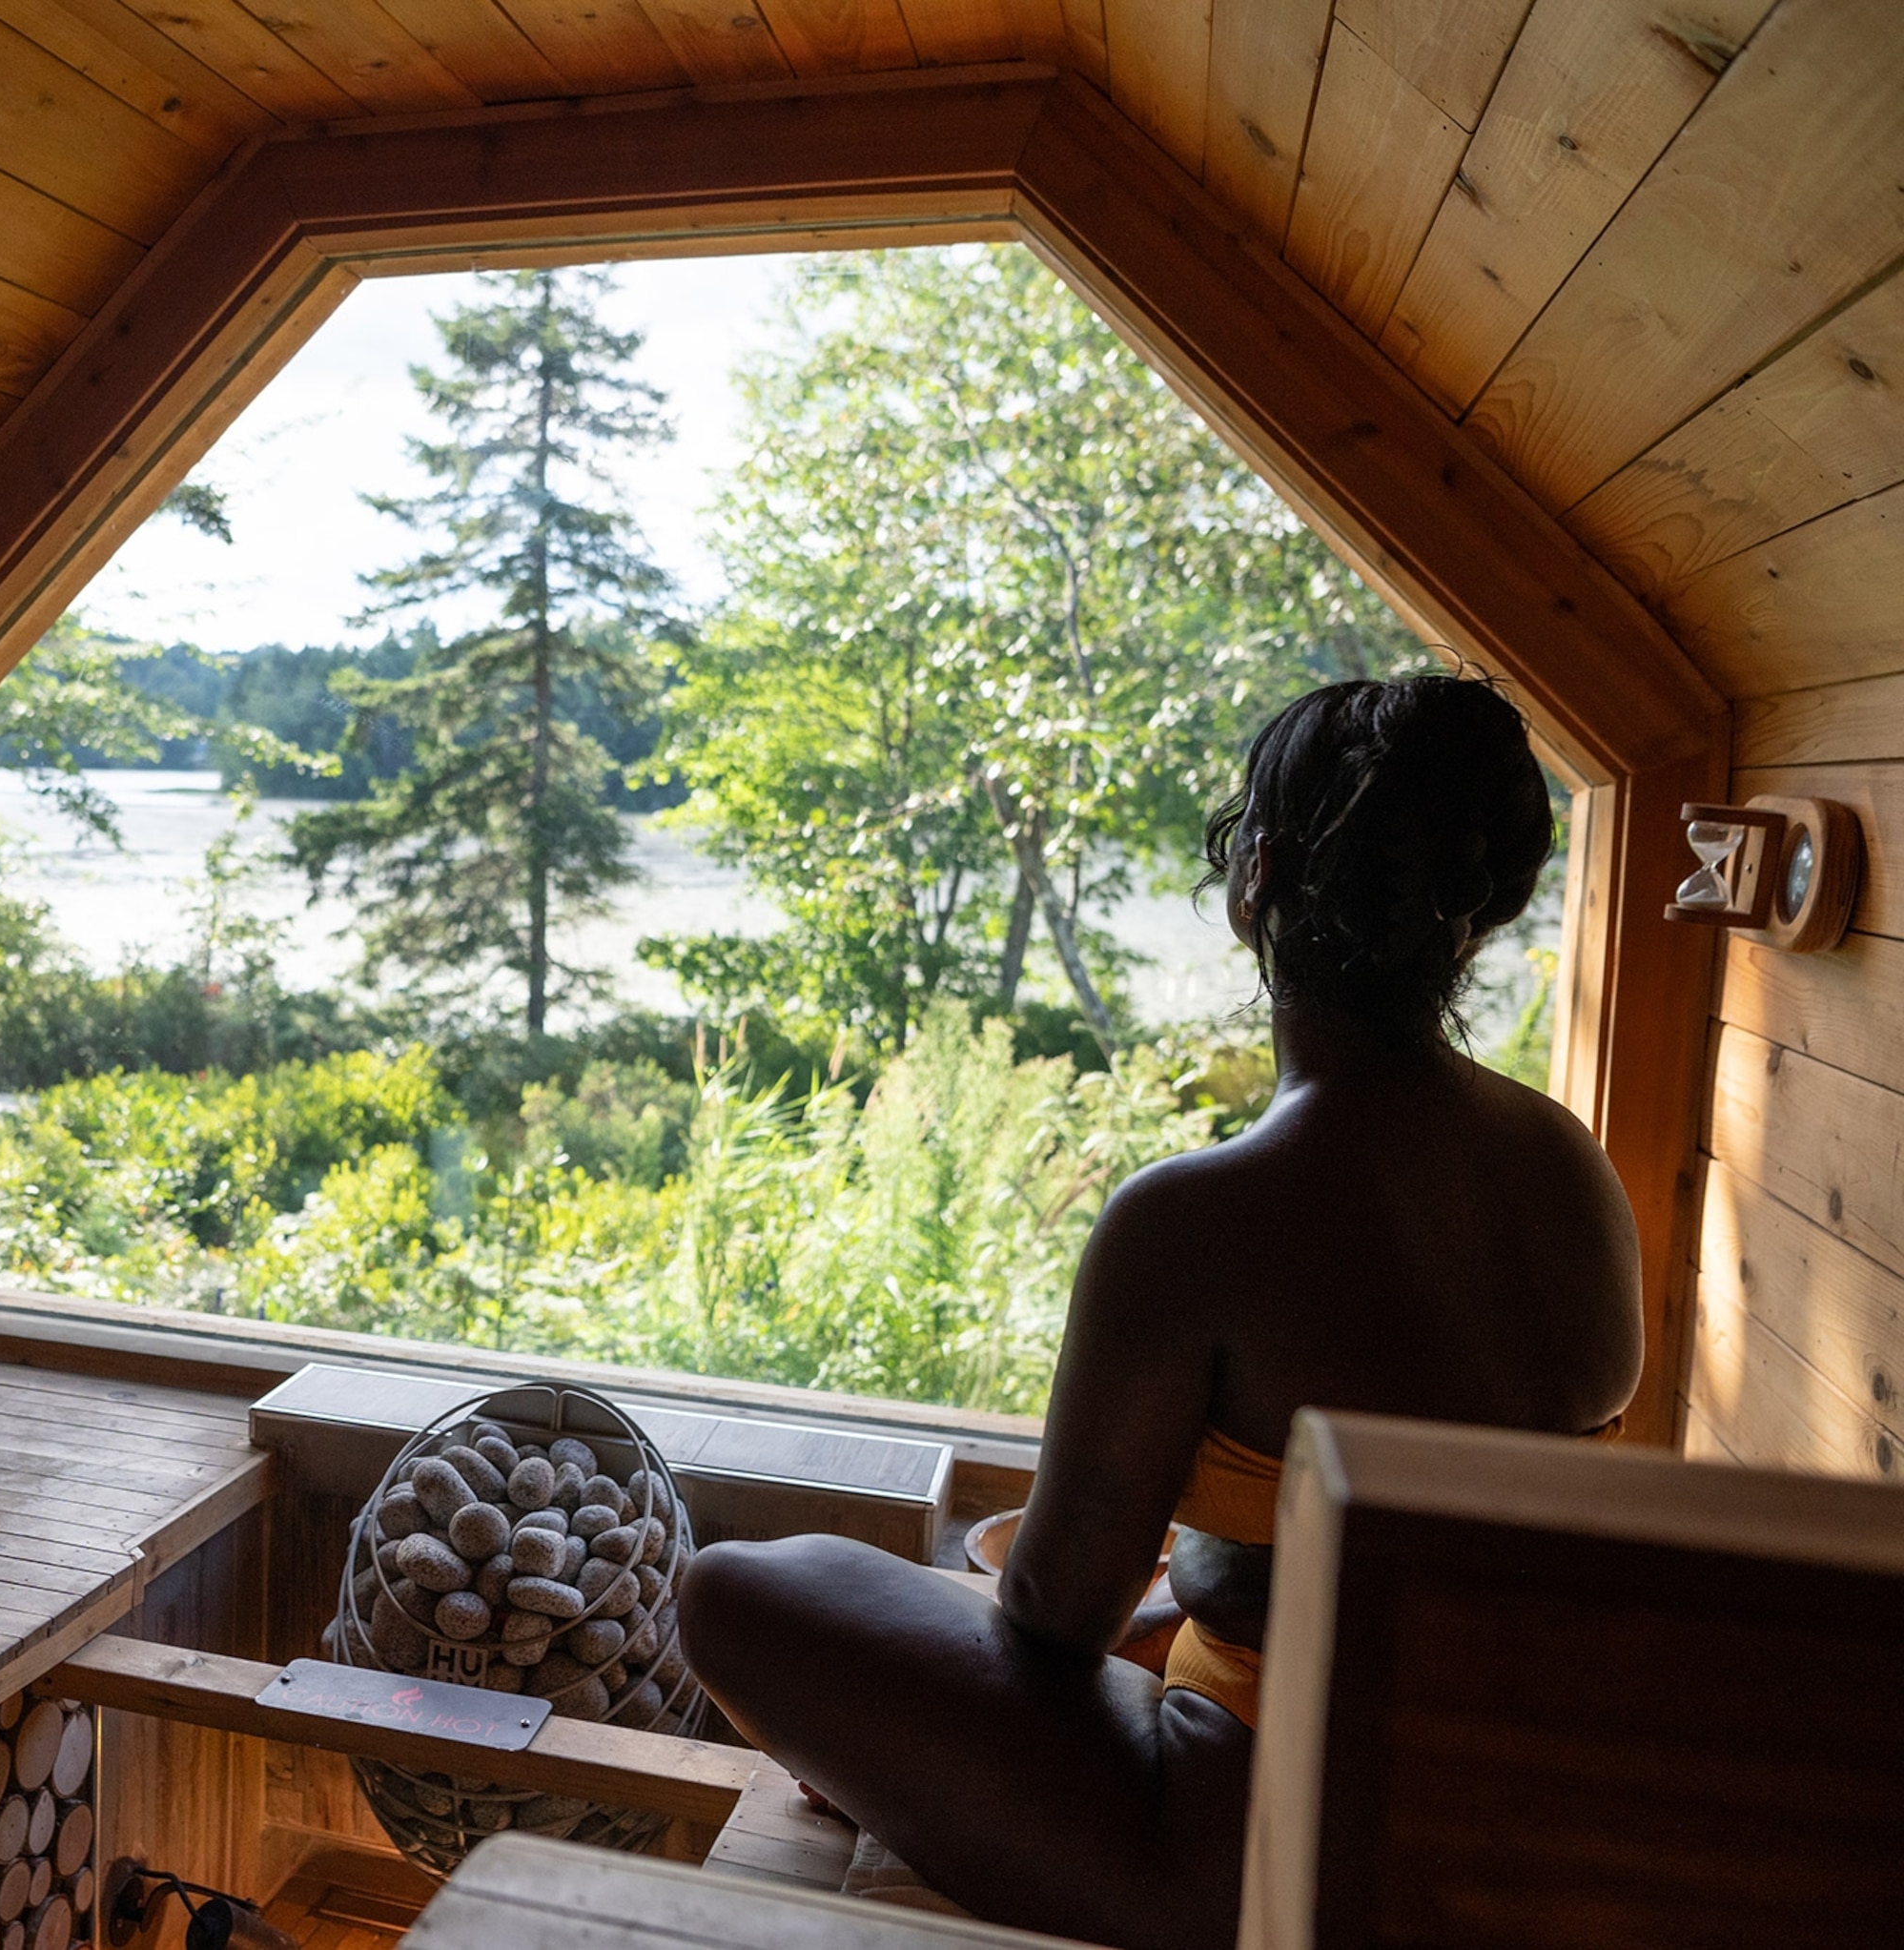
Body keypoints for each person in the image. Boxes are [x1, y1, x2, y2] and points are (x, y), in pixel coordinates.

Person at [675, 674, 1642, 1950]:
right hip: (1500, 1811)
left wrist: (922, 1720)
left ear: (1257, 880)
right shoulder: (1578, 1175)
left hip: (1253, 1857)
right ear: (1491, 907)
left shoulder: (1197, 1217)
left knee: (739, 1590)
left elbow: (1055, 1613)